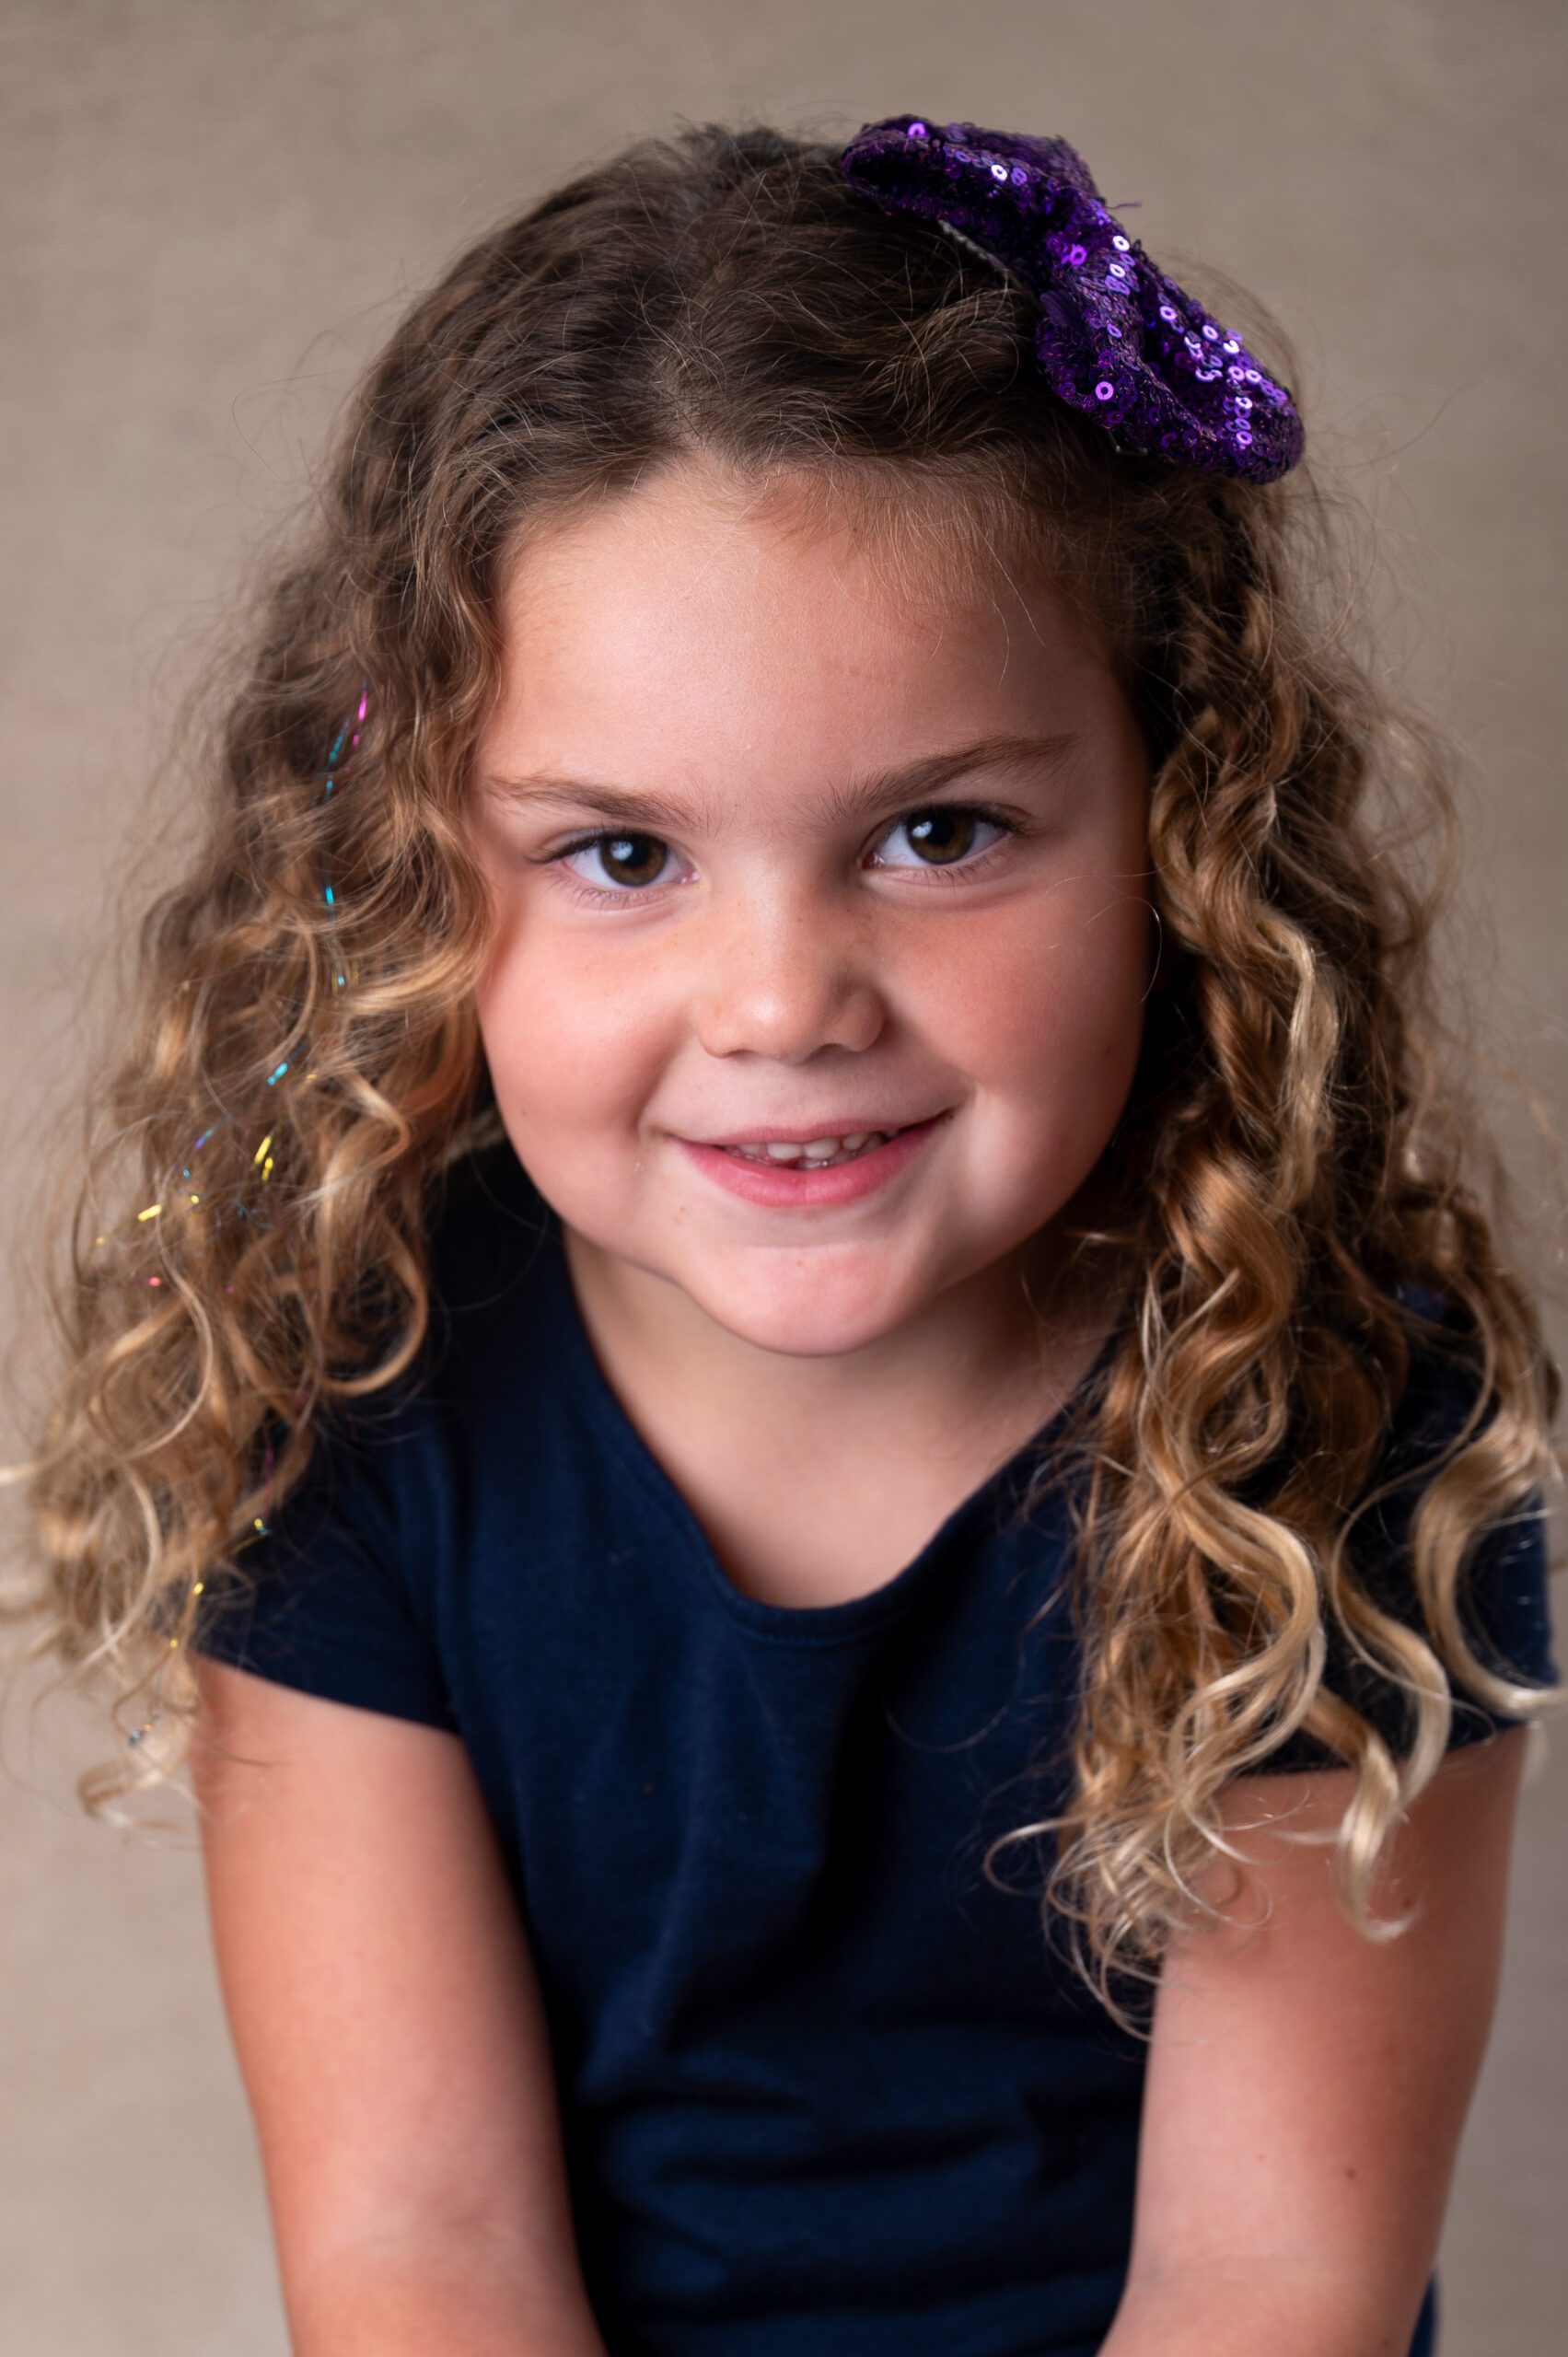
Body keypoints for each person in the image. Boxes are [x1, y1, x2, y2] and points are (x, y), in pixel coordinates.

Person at [6, 111, 1562, 2357]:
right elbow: (415, 2251)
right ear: (431, 870)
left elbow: (1272, 2282)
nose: (781, 1003)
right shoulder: (350, 1394)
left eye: (938, 830)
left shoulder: (1319, 1417)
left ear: (1179, 828)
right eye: (624, 855)